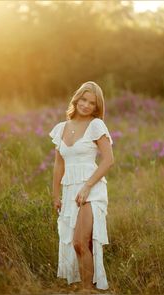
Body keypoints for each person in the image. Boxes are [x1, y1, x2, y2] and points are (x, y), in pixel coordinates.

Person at [49, 81, 114, 291]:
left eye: (92, 103)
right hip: (70, 190)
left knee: (81, 241)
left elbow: (108, 160)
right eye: (83, 100)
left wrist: (87, 187)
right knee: (75, 244)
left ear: (97, 107)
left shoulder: (96, 125)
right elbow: (59, 165)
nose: (86, 105)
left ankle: (87, 290)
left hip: (91, 189)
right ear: (77, 99)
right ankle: (87, 286)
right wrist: (55, 195)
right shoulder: (61, 129)